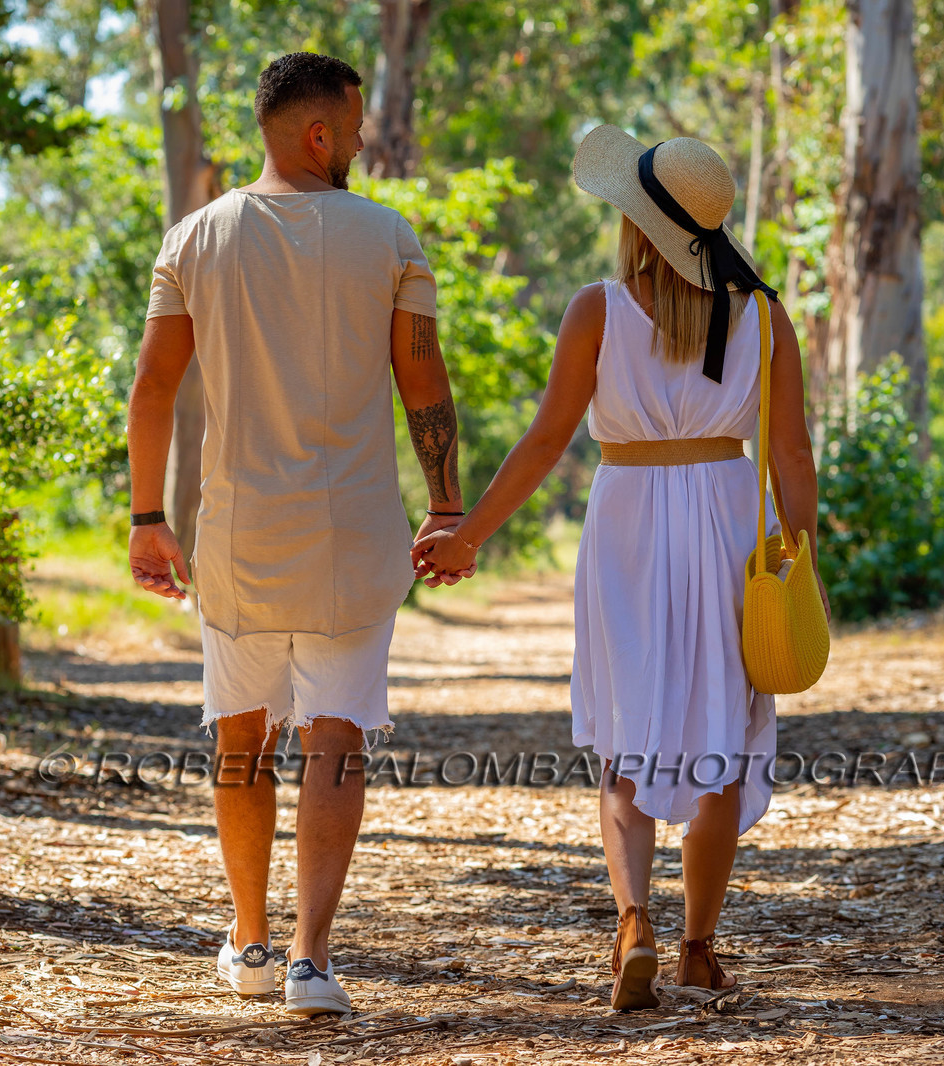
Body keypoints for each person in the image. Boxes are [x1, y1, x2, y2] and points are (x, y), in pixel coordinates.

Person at [415, 127, 828, 1010]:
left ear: (639, 225)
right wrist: (802, 566)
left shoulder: (598, 308)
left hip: (628, 522)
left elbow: (545, 443)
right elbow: (792, 457)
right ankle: (698, 948)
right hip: (730, 520)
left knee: (629, 725)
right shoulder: (764, 313)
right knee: (725, 723)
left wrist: (468, 534)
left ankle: (632, 921)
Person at [126, 51, 472, 1016]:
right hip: (355, 535)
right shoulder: (389, 238)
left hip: (235, 537)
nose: (362, 138)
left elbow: (154, 389)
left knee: (239, 740)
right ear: (319, 134)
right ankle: (313, 960)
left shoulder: (195, 239)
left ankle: (247, 942)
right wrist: (448, 508)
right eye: (355, 124)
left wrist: (148, 518)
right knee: (337, 742)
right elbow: (425, 387)